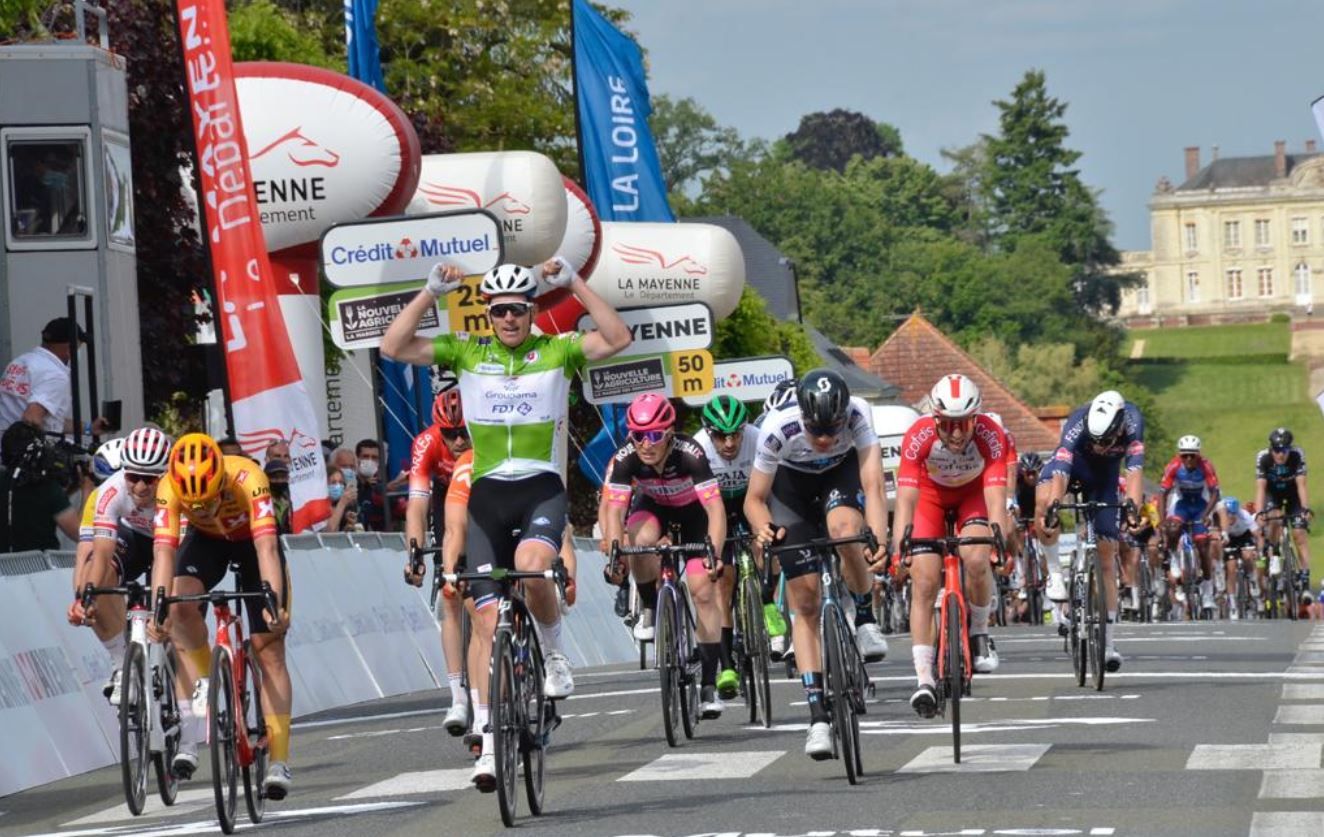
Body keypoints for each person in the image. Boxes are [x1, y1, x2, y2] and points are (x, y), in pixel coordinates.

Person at [381, 255, 630, 790]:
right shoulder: (468, 351)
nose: (509, 320)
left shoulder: (556, 349)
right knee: (487, 622)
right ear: (488, 315)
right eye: (499, 312)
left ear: (532, 309)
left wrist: (575, 284)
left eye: (518, 309)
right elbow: (392, 347)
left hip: (540, 487)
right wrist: (427, 294)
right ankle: (490, 745)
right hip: (489, 494)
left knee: (533, 566)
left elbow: (617, 337)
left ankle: (555, 653)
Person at [744, 369, 889, 759]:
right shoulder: (778, 428)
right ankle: (818, 717)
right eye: (816, 431)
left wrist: (878, 535)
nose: (824, 440)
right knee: (804, 603)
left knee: (845, 531)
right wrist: (763, 529)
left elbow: (874, 485)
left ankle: (864, 617)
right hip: (789, 489)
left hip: (838, 480)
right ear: (803, 419)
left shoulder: (859, 414)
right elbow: (754, 500)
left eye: (832, 430)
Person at [154, 433, 294, 799]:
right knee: (179, 605)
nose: (202, 508)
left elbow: (266, 548)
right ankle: (205, 678)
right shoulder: (169, 487)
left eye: (209, 500)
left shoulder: (249, 479)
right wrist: (159, 605)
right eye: (194, 505)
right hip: (207, 542)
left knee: (269, 646)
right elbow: (164, 556)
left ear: (221, 481)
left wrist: (272, 599)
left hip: (251, 541)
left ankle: (278, 760)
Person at [888, 375, 1010, 718]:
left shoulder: (990, 434)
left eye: (965, 425)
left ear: (977, 419)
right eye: (948, 425)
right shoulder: (919, 435)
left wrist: (997, 541)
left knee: (976, 556)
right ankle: (924, 678)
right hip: (930, 498)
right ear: (935, 418)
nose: (956, 434)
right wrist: (901, 551)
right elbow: (906, 502)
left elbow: (996, 498)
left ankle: (980, 631)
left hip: (973, 495)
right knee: (924, 580)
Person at [600, 393, 728, 717]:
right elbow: (614, 513)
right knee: (638, 542)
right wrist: (617, 557)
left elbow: (714, 508)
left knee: (703, 592)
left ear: (669, 433)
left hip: (694, 514)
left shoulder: (691, 454)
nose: (646, 443)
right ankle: (649, 605)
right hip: (653, 506)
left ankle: (709, 685)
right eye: (639, 436)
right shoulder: (627, 456)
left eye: (654, 435)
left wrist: (713, 551)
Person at [1038, 390, 1144, 672]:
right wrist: (1054, 505)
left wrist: (1133, 506)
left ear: (1120, 425)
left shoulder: (1133, 421)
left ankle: (1108, 644)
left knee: (1107, 558)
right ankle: (1056, 575)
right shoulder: (1077, 422)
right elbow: (1061, 467)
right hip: (1074, 468)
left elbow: (1134, 471)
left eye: (1106, 441)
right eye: (1095, 441)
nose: (1099, 446)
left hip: (1104, 479)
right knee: (1044, 498)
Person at [66, 427, 172, 705]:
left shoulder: (176, 490)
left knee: (178, 610)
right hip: (133, 539)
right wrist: (85, 596)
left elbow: (166, 554)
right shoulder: (109, 491)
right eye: (133, 477)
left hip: (171, 540)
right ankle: (121, 664)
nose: (139, 487)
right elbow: (97, 554)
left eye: (149, 479)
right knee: (97, 582)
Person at [694, 392, 787, 698]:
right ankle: (726, 663)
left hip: (751, 501)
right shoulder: (700, 448)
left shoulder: (759, 438)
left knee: (765, 544)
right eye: (722, 437)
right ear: (710, 434)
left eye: (736, 434)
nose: (730, 443)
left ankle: (769, 601)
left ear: (745, 429)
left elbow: (774, 488)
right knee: (723, 581)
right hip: (718, 508)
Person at [402, 388, 473, 734]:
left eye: (463, 431)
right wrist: (415, 554)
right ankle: (458, 696)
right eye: (450, 433)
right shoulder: (426, 443)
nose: (458, 440)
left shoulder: (484, 438)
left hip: (482, 489)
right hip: (448, 497)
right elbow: (417, 506)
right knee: (451, 595)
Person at [0, 317, 109, 438]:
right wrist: (46, 449)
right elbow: (31, 418)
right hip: (21, 454)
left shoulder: (20, 362)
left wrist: (89, 428)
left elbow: (50, 422)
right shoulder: (55, 375)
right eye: (78, 346)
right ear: (69, 349)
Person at [1159, 435, 1221, 614]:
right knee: (1173, 529)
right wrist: (1163, 520)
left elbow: (1215, 494)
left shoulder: (1206, 466)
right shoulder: (1174, 466)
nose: (1188, 459)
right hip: (1182, 504)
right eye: (1184, 455)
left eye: (1192, 455)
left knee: (1203, 546)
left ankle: (1208, 593)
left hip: (1201, 504)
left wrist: (1206, 515)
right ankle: (1174, 561)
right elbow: (1163, 493)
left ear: (1198, 455)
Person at [0, 420, 80, 551]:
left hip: (4, 568)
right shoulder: (47, 488)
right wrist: (87, 490)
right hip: (42, 567)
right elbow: (80, 534)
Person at [1255, 427, 1312, 592]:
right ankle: (1274, 553)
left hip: (1293, 494)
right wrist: (1259, 513)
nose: (1281, 454)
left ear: (1290, 449)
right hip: (1273, 495)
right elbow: (1260, 488)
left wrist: (1305, 509)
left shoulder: (1297, 455)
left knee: (1299, 534)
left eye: (1285, 450)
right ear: (1271, 449)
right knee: (1275, 517)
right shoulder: (1263, 458)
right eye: (1277, 450)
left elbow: (1301, 484)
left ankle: (1305, 579)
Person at [1214, 496, 1261, 619]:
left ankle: (1252, 577)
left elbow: (1258, 535)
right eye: (1227, 515)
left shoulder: (1244, 516)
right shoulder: (1220, 519)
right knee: (1231, 567)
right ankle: (1233, 604)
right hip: (1229, 540)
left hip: (1244, 536)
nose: (1230, 518)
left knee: (1247, 556)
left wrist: (1259, 551)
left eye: (1232, 515)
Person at [354, 438, 387, 531]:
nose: (370, 460)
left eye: (374, 457)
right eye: (365, 456)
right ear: (357, 458)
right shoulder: (350, 485)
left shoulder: (382, 488)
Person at [325, 463, 359, 532]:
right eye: (333, 482)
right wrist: (342, 502)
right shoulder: (317, 506)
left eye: (340, 482)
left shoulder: (339, 507)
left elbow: (335, 535)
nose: (338, 486)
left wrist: (347, 527)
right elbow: (329, 531)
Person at [265, 457, 293, 534]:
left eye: (283, 477)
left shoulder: (289, 497)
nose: (279, 481)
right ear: (266, 478)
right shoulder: (262, 500)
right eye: (275, 477)